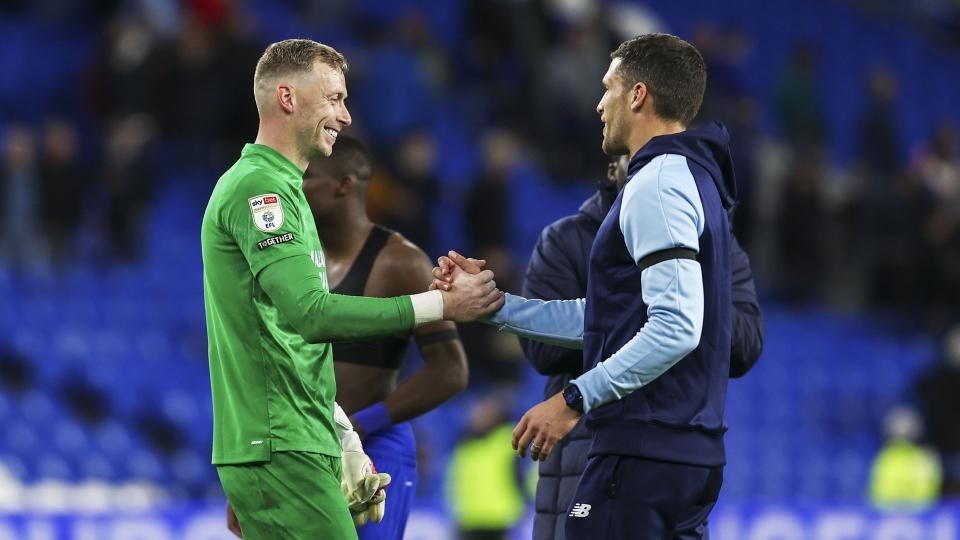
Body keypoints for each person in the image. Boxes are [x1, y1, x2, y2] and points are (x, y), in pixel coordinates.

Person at [435, 33, 737, 539]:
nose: (599, 104)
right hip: (673, 453)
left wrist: (572, 399)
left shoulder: (658, 183)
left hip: (644, 452)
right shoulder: (691, 178)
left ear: (637, 95)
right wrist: (493, 305)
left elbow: (678, 327)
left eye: (608, 87)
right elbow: (611, 322)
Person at [200, 39, 502, 540]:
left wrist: (338, 431)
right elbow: (312, 315)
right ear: (288, 98)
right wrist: (440, 305)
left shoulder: (284, 192)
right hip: (281, 446)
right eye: (334, 98)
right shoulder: (262, 190)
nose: (346, 116)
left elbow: (287, 341)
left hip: (293, 442)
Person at [521, 154, 764, 540]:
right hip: (585, 456)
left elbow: (746, 347)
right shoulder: (566, 239)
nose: (655, 174)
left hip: (669, 463)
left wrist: (682, 284)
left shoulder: (716, 245)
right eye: (637, 162)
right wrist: (658, 297)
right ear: (612, 170)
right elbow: (542, 350)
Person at [300, 134, 470, 539]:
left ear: (343, 184)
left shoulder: (400, 262)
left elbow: (450, 371)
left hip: (375, 453)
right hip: (303, 454)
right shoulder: (293, 261)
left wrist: (359, 426)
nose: (292, 189)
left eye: (305, 179)